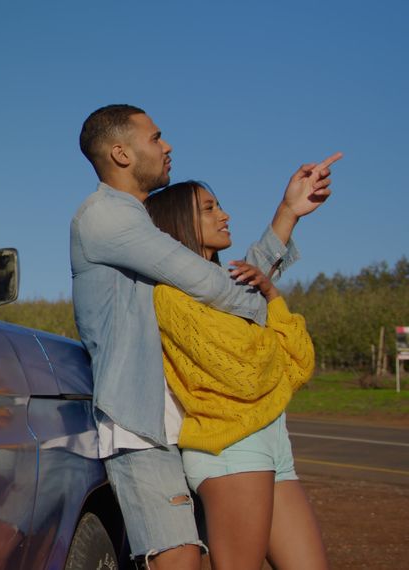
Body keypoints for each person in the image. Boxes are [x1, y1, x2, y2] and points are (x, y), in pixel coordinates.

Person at [70, 103, 339, 568]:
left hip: (185, 421)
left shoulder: (140, 226)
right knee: (181, 562)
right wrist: (268, 302)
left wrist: (287, 214)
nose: (167, 144)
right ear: (121, 153)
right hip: (143, 428)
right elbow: (212, 286)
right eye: (155, 137)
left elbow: (217, 279)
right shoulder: (104, 218)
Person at [146, 180, 327, 569]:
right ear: (178, 223)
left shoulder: (232, 290)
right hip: (231, 449)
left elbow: (300, 365)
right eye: (209, 209)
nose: (224, 215)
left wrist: (273, 297)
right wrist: (268, 336)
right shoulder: (172, 297)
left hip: (274, 441)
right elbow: (247, 376)